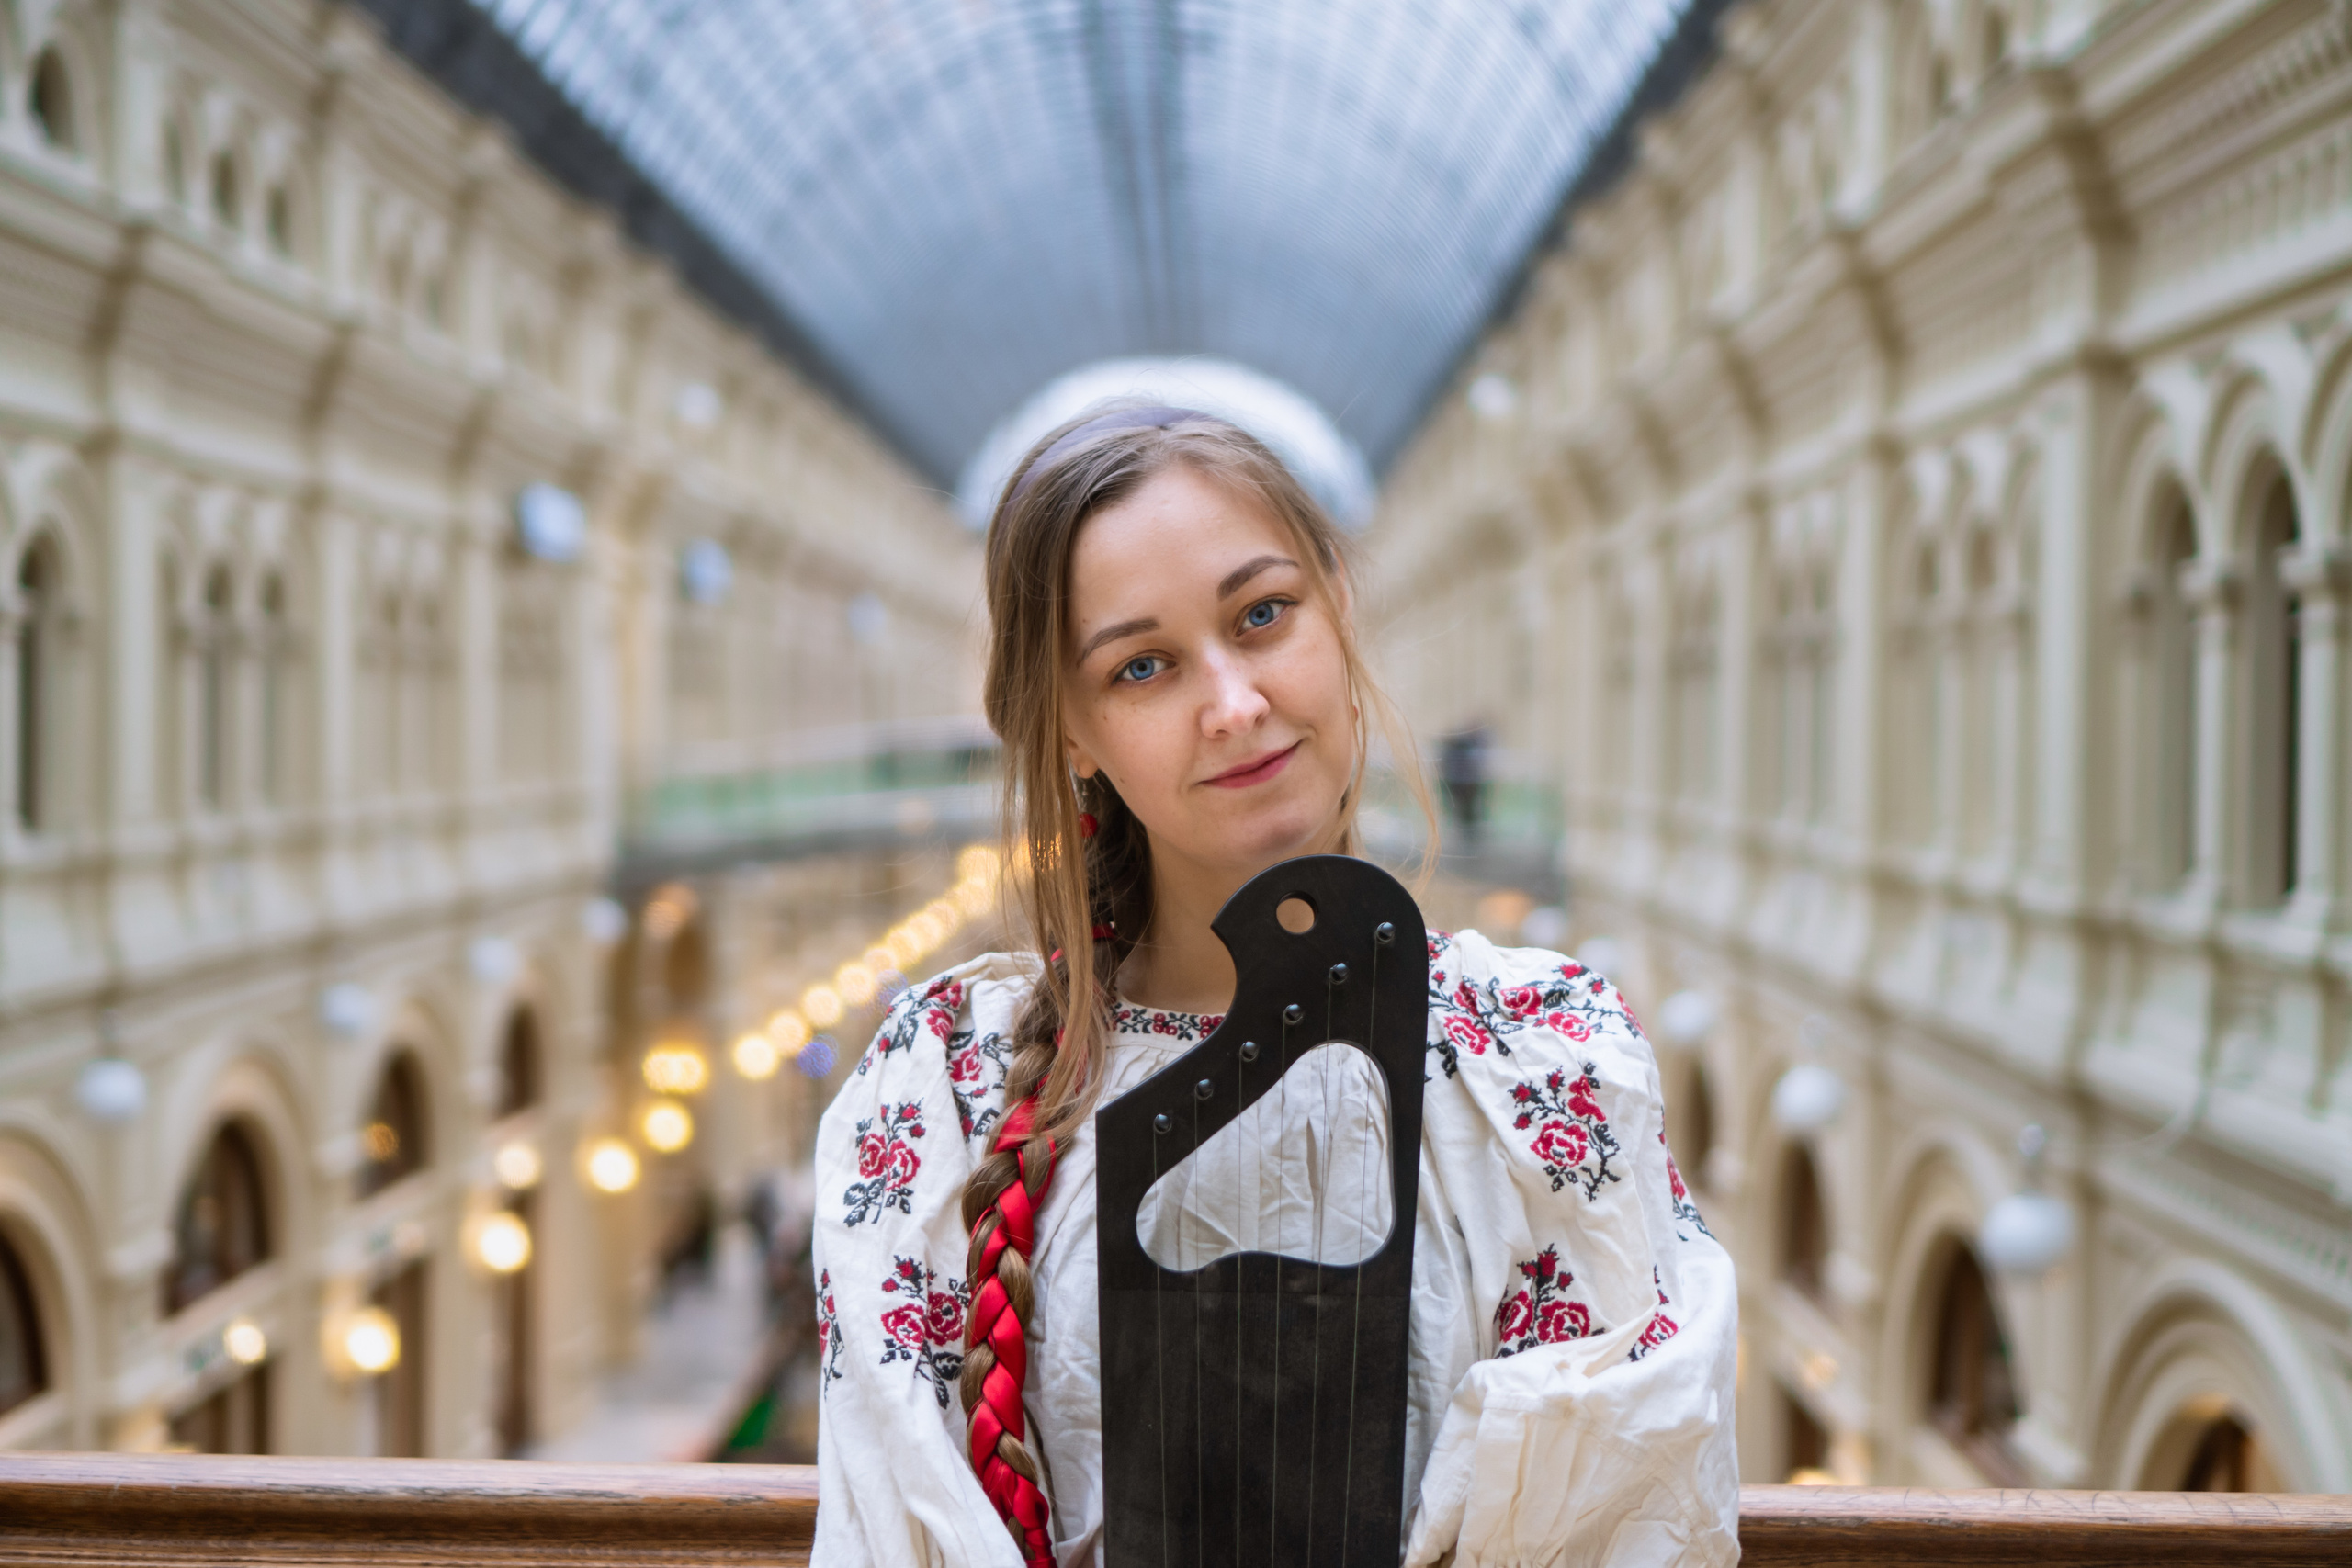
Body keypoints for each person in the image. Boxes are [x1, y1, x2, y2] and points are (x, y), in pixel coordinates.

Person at [812, 407, 1737, 1567]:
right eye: (1140, 666)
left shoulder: (1542, 1057)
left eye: (1261, 615)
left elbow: (1624, 1499)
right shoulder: (939, 1088)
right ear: (1071, 734)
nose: (1235, 704)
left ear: (1338, 607)